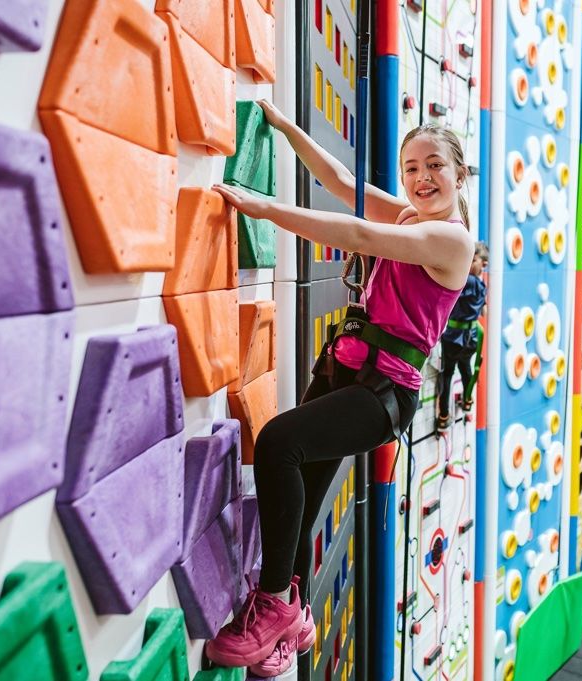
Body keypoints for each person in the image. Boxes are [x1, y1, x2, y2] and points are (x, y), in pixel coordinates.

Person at [205, 100, 474, 675]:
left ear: (459, 174)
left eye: (435, 166)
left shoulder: (451, 241)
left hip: (382, 393)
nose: (422, 178)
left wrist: (263, 209)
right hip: (344, 369)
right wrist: (285, 127)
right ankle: (292, 620)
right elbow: (343, 183)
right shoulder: (408, 216)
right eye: (411, 168)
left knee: (279, 444)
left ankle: (275, 602)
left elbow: (354, 230)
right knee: (295, 498)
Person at [436, 241, 488, 431]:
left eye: (472, 260)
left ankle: (443, 415)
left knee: (447, 373)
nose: (468, 263)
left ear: (483, 264)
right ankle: (467, 401)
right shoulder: (481, 284)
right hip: (471, 337)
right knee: (466, 368)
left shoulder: (469, 281)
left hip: (454, 336)